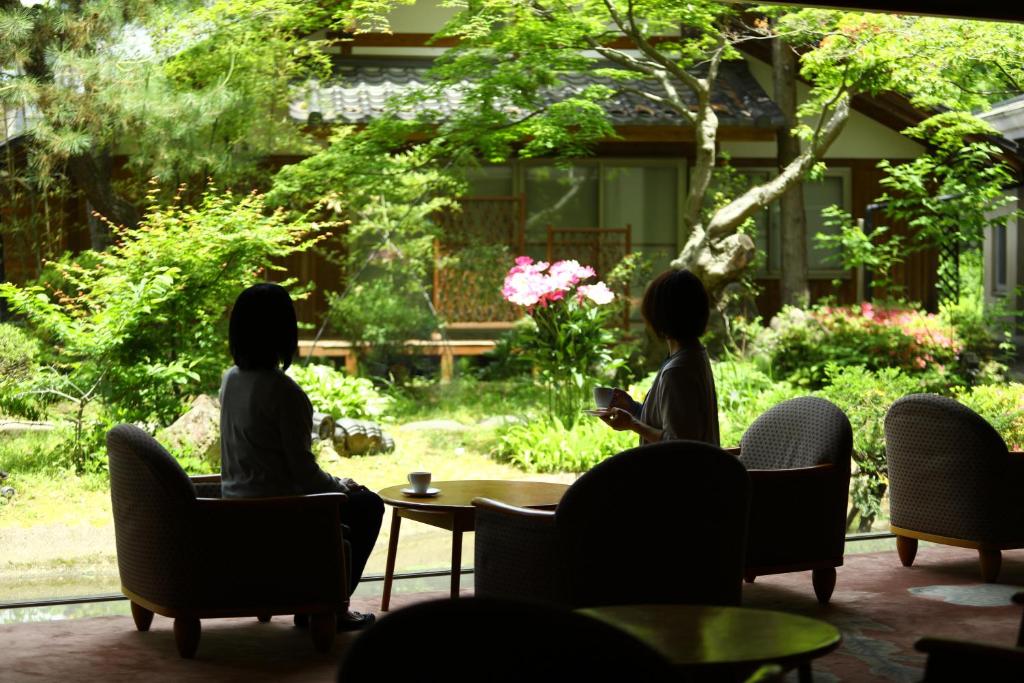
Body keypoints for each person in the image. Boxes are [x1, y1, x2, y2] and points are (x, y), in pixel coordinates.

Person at [219, 283, 383, 630]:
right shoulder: (284, 392)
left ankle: (312, 601)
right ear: (284, 332)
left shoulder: (230, 380)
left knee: (353, 502)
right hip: (278, 514)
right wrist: (341, 484)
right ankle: (328, 606)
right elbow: (303, 475)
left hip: (234, 509)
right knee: (368, 504)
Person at [599, 269, 720, 446]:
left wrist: (632, 424)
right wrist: (634, 409)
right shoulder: (694, 354)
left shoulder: (678, 371)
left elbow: (679, 443)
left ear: (659, 317)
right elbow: (675, 421)